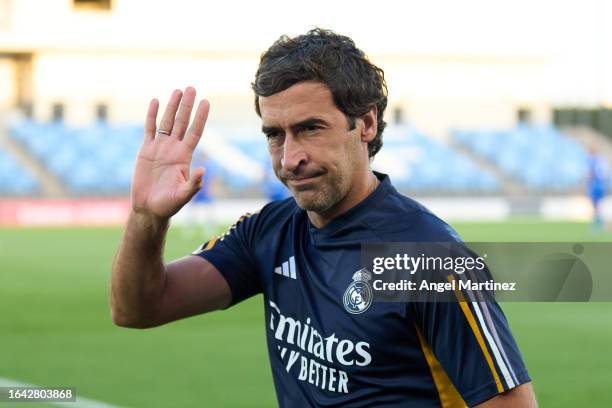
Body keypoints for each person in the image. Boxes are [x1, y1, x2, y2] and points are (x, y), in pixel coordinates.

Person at [111, 29, 537, 407]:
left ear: (366, 123)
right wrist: (147, 217)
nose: (290, 158)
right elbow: (139, 308)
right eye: (275, 135)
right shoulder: (269, 231)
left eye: (311, 128)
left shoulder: (429, 257)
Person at [587, 146, 608, 230]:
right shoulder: (601, 161)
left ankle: (598, 224)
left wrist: (587, 181)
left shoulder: (593, 161)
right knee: (598, 206)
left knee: (595, 206)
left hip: (595, 186)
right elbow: (604, 174)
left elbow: (592, 173)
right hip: (601, 186)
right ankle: (600, 223)